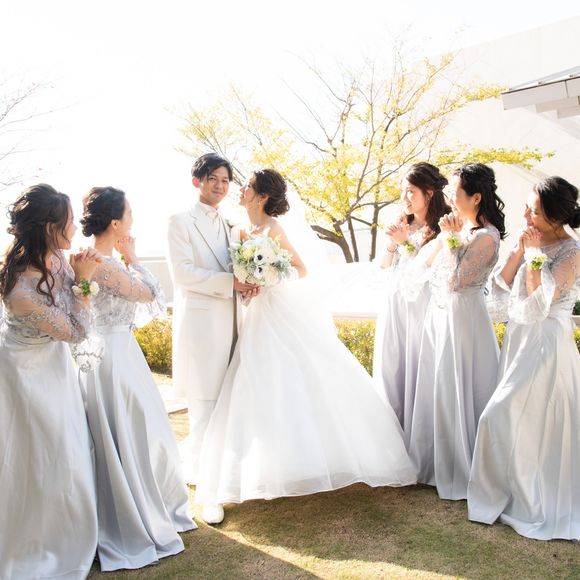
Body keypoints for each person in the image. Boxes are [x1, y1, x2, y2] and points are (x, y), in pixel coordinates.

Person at [195, 168, 417, 523]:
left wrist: (267, 275)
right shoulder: (241, 230)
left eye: (247, 186)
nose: (240, 189)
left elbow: (300, 269)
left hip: (278, 309)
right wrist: (249, 280)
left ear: (262, 196)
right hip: (256, 315)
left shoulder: (273, 228)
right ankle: (263, 467)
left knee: (296, 379)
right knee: (256, 384)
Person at [79, 186, 195, 571]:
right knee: (137, 432)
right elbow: (149, 294)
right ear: (115, 223)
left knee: (128, 432)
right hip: (115, 359)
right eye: (129, 214)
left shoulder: (84, 259)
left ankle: (139, 503)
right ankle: (137, 513)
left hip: (107, 354)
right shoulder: (107, 264)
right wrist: (134, 258)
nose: (133, 219)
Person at [468, 176, 580, 540]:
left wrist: (533, 257)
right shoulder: (529, 240)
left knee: (500, 414)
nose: (526, 216)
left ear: (554, 214)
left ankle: (536, 499)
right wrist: (519, 251)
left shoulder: (572, 251)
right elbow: (500, 285)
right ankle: (514, 491)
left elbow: (541, 300)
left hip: (545, 342)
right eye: (527, 208)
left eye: (533, 210)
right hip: (519, 338)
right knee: (524, 423)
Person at [0, 184, 99, 579]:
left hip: (55, 368)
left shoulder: (57, 258)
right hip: (27, 375)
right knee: (40, 454)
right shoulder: (20, 289)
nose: (75, 229)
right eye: (69, 222)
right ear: (48, 227)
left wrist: (78, 273)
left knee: (67, 445)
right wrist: (84, 281)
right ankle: (38, 540)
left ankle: (71, 526)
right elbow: (76, 331)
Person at [166, 153, 257, 519]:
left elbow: (242, 269)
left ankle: (225, 476)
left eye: (225, 180)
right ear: (197, 181)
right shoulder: (179, 222)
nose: (220, 186)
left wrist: (250, 285)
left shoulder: (233, 225)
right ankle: (209, 496)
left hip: (236, 325)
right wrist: (230, 282)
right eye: (213, 179)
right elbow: (183, 274)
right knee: (204, 409)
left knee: (229, 406)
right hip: (202, 331)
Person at [408, 163, 506, 500]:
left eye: (457, 191)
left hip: (465, 319)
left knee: (463, 385)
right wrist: (447, 237)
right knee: (441, 384)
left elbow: (456, 281)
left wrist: (450, 239)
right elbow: (426, 269)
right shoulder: (461, 229)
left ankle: (466, 464)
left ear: (476, 197)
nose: (450, 196)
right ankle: (438, 461)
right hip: (443, 316)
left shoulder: (487, 237)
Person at [373, 162, 450, 446]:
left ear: (429, 192)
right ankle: (390, 443)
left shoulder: (442, 228)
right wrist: (393, 243)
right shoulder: (402, 222)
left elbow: (427, 268)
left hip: (420, 305)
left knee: (417, 367)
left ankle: (418, 441)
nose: (404, 197)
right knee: (391, 366)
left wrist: (405, 242)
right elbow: (384, 266)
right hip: (395, 302)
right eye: (403, 191)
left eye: (410, 191)